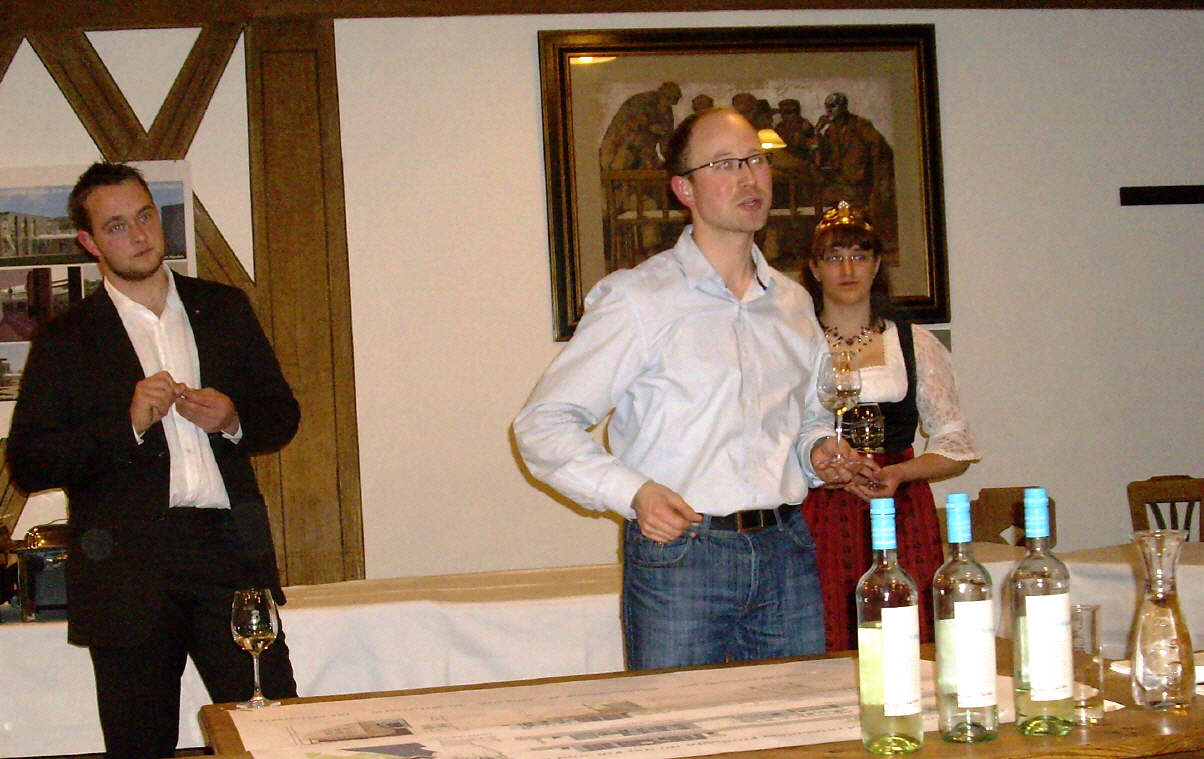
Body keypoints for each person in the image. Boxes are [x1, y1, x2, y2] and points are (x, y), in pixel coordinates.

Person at [514, 108, 863, 671]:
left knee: (795, 718)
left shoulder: (794, 303)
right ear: (684, 189)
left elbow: (808, 420)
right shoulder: (638, 299)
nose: (749, 177)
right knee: (677, 719)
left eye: (756, 159)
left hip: (788, 551)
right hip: (682, 557)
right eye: (725, 164)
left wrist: (819, 451)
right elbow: (541, 424)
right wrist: (634, 492)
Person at [7, 162, 301, 759]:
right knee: (139, 747)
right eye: (116, 226)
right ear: (89, 242)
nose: (139, 235)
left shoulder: (223, 308)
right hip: (124, 566)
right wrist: (128, 425)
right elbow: (31, 462)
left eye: (145, 217)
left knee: (275, 735)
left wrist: (233, 418)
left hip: (229, 553)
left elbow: (281, 417)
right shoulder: (66, 338)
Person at [800, 201, 982, 651]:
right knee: (823, 633)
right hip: (815, 510)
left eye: (859, 256)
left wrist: (899, 472)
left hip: (900, 509)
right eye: (834, 257)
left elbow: (955, 446)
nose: (848, 269)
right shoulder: (792, 344)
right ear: (815, 269)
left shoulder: (913, 342)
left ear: (876, 265)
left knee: (903, 637)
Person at [814, 93, 898, 257]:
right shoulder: (830, 130)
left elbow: (879, 147)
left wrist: (876, 174)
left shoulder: (860, 125)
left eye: (833, 106)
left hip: (861, 181)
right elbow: (823, 156)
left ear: (843, 107)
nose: (829, 111)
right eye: (827, 107)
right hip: (840, 180)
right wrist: (817, 132)